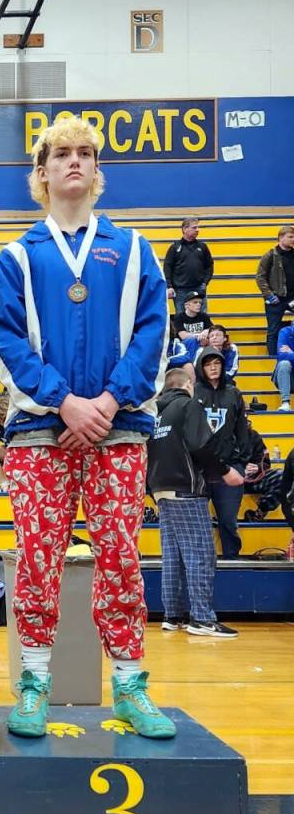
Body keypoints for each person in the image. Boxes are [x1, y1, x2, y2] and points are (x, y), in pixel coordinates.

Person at [0, 113, 174, 739]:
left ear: (98, 169)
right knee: (38, 557)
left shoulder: (137, 249)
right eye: (60, 153)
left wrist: (109, 403)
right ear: (39, 173)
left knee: (119, 554)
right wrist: (65, 402)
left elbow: (154, 332)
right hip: (41, 431)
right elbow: (4, 338)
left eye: (84, 152)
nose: (73, 161)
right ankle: (33, 684)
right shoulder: (17, 256)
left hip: (118, 429)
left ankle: (129, 685)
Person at [147, 368, 240, 638]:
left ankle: (172, 615)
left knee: (173, 557)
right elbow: (200, 446)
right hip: (186, 490)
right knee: (200, 555)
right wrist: (225, 472)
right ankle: (201, 618)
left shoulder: (155, 413)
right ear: (188, 384)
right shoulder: (188, 405)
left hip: (161, 491)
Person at [193, 347, 251, 560]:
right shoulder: (194, 392)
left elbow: (243, 430)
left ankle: (232, 561)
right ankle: (201, 564)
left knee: (228, 521)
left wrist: (242, 462)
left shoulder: (233, 393)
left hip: (230, 467)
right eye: (208, 364)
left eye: (216, 363)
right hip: (200, 469)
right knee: (198, 524)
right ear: (201, 367)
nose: (213, 367)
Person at [255, 225, 294, 357]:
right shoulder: (270, 255)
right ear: (280, 237)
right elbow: (260, 277)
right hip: (275, 299)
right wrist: (270, 295)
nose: (293, 239)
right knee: (273, 330)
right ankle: (272, 359)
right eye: (290, 237)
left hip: (292, 298)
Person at [163, 217, 213, 310]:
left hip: (199, 288)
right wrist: (169, 286)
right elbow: (167, 267)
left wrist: (205, 282)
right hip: (180, 291)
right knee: (181, 318)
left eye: (198, 227)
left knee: (202, 318)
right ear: (185, 229)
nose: (197, 230)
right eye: (194, 228)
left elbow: (209, 266)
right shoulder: (175, 247)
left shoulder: (202, 247)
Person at [272, 322, 294, 411]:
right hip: (288, 377)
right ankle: (285, 402)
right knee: (284, 364)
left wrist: (291, 353)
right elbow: (282, 356)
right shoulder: (285, 332)